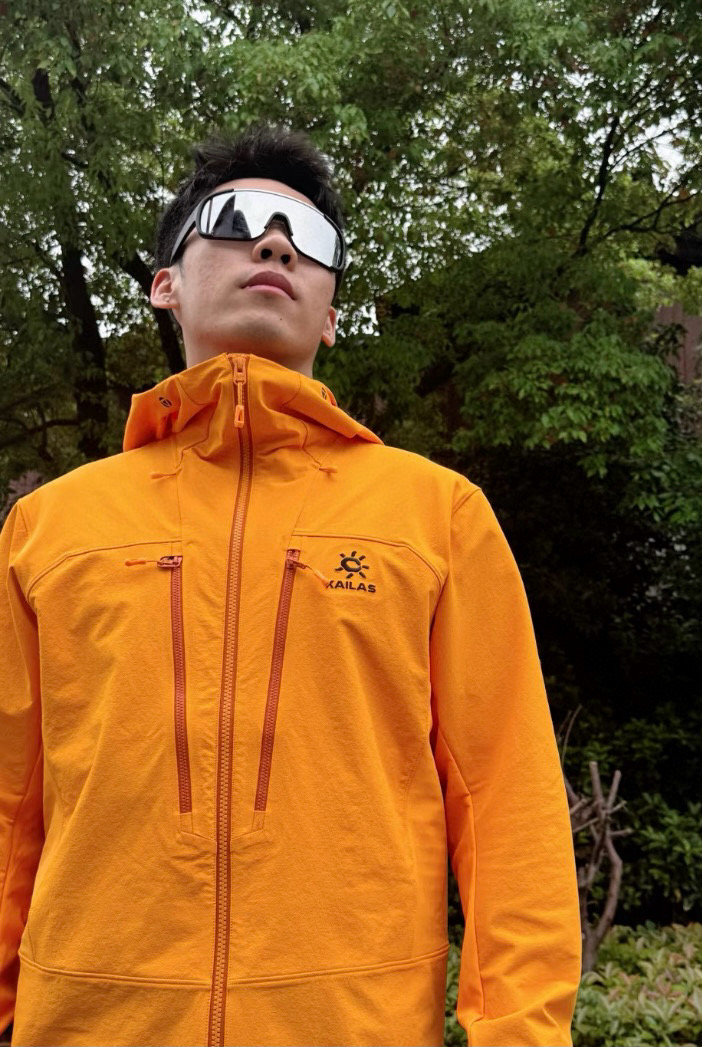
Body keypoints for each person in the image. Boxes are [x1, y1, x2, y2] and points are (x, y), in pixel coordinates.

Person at [0, 125, 581, 1047]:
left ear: (333, 314)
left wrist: (520, 1033)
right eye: (237, 221)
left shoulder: (438, 515)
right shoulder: (48, 528)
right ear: (165, 283)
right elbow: (9, 804)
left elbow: (507, 799)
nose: (275, 244)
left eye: (310, 240)